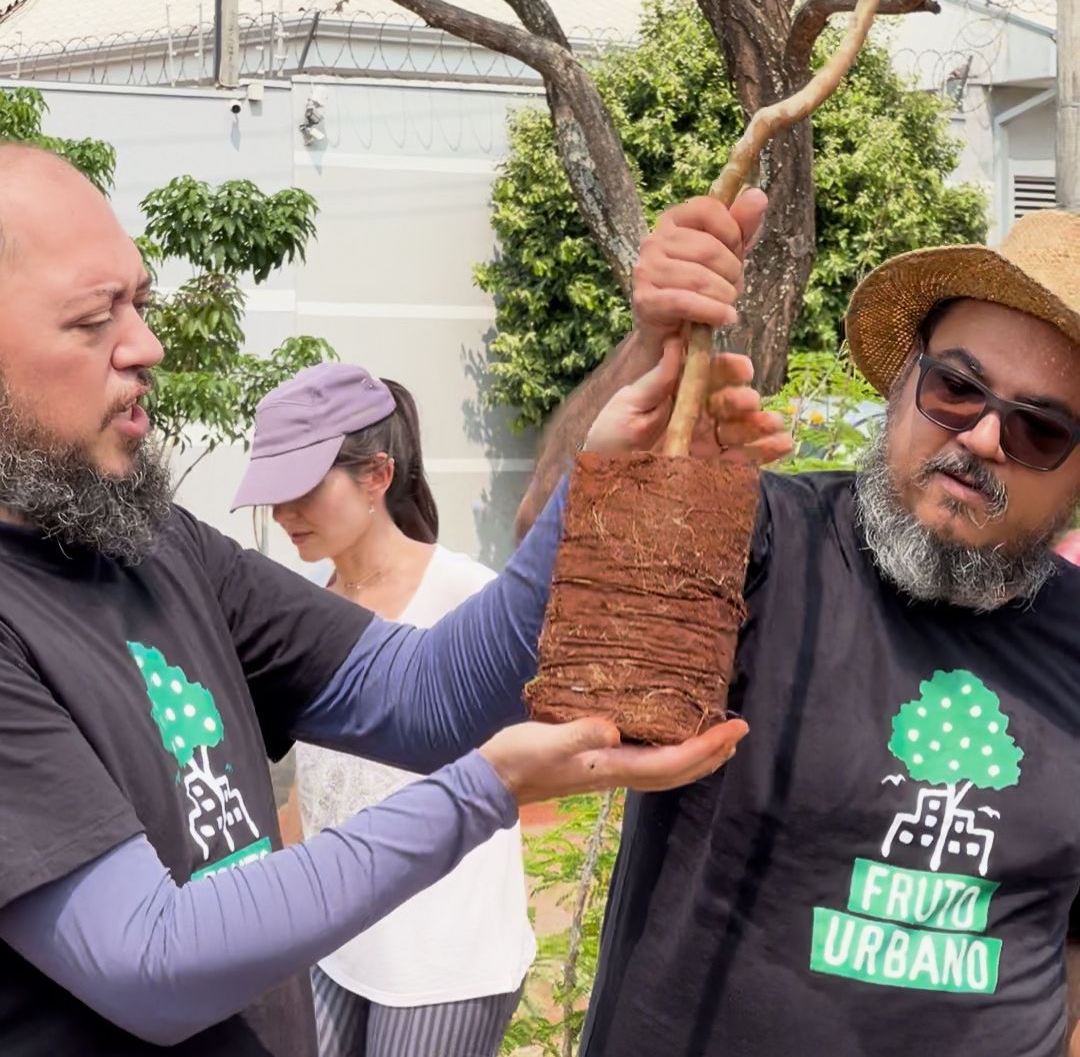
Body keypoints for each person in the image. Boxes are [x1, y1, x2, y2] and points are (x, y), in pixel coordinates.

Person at [0, 144, 765, 1057]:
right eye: (94, 320)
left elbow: (421, 690)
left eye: (141, 302)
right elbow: (153, 959)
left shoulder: (155, 542)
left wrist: (600, 491)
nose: (147, 346)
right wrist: (490, 787)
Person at [515, 193, 1080, 1057]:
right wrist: (654, 347)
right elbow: (558, 570)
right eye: (957, 388)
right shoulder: (761, 545)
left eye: (1040, 429)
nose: (986, 436)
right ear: (902, 387)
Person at [235, 364, 535, 1056]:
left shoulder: (468, 599)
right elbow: (308, 792)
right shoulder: (301, 611)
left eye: (301, 489)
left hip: (444, 959)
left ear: (376, 475)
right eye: (271, 493)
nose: (282, 513)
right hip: (336, 943)